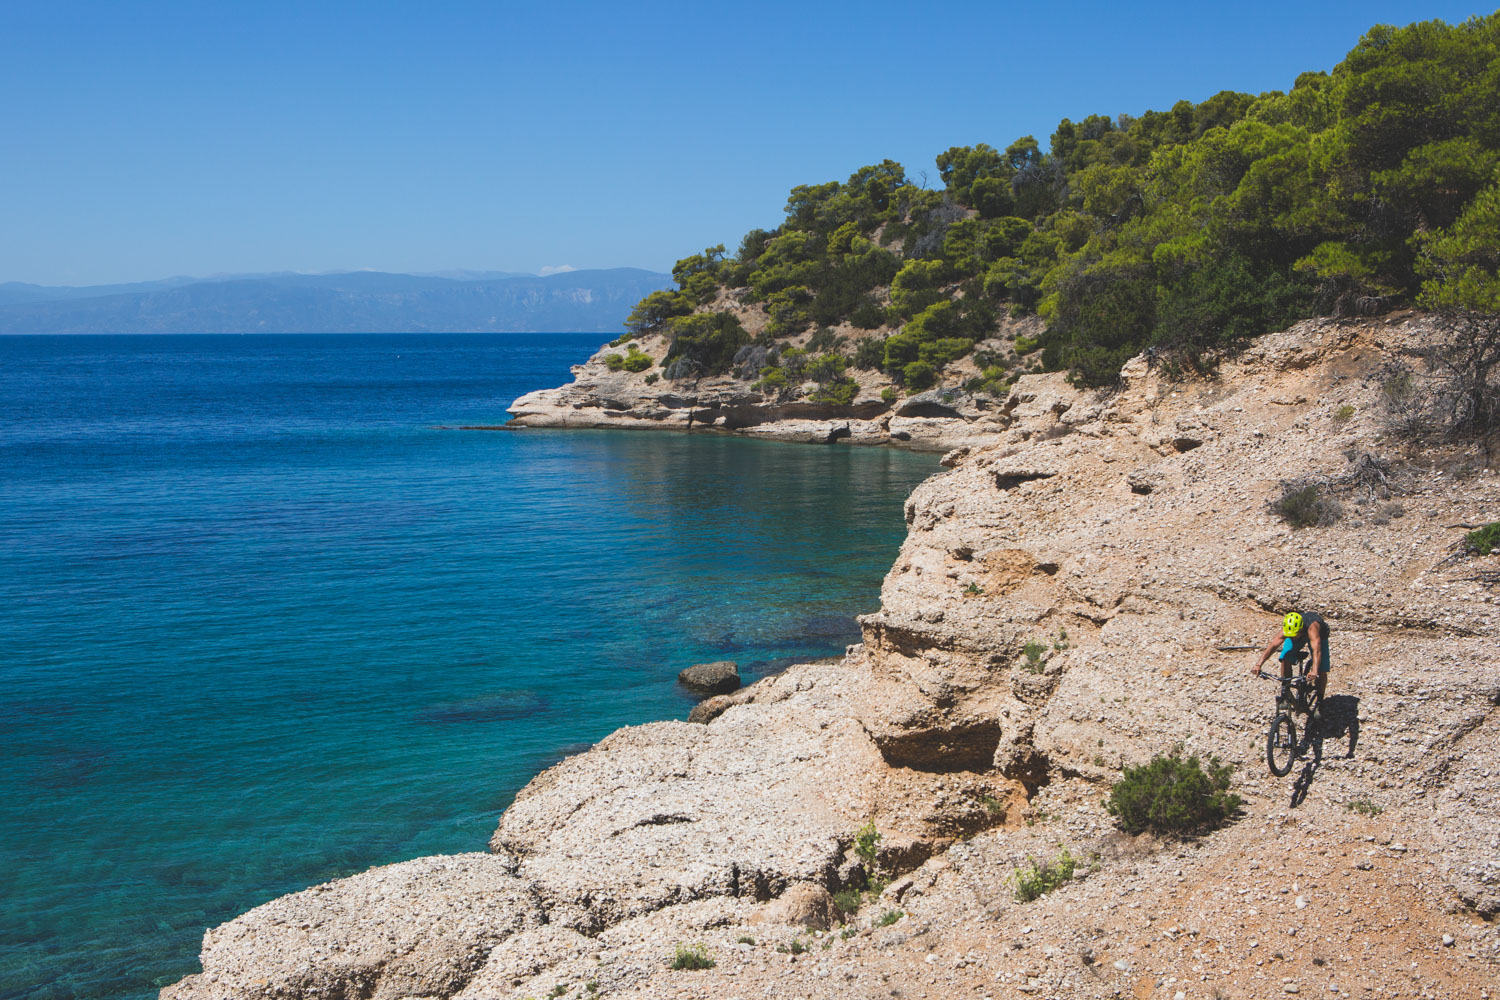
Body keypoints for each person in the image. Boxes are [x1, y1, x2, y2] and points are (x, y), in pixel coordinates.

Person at [1251, 611, 1330, 719]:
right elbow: (1273, 646)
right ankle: (1285, 691)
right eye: (1290, 636)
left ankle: (1320, 702)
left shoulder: (1313, 627)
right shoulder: (1289, 629)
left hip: (1320, 635)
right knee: (1285, 657)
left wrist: (1315, 670)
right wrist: (1259, 664)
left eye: (1293, 635)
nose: (1292, 638)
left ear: (1300, 629)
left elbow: (1317, 650)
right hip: (1299, 633)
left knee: (1321, 667)